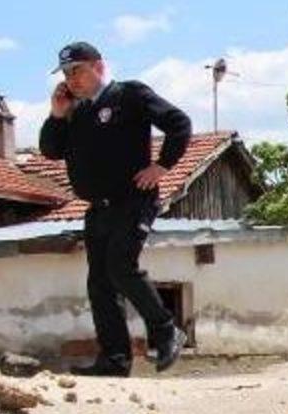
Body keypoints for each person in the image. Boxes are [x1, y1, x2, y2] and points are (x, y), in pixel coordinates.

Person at [39, 42, 190, 377]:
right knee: (100, 283)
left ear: (98, 66)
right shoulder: (76, 112)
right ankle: (115, 359)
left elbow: (179, 123)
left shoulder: (129, 95)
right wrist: (57, 114)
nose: (71, 79)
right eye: (66, 73)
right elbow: (50, 150)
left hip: (133, 200)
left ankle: (166, 330)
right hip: (98, 209)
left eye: (77, 70)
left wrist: (162, 166)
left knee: (120, 266)